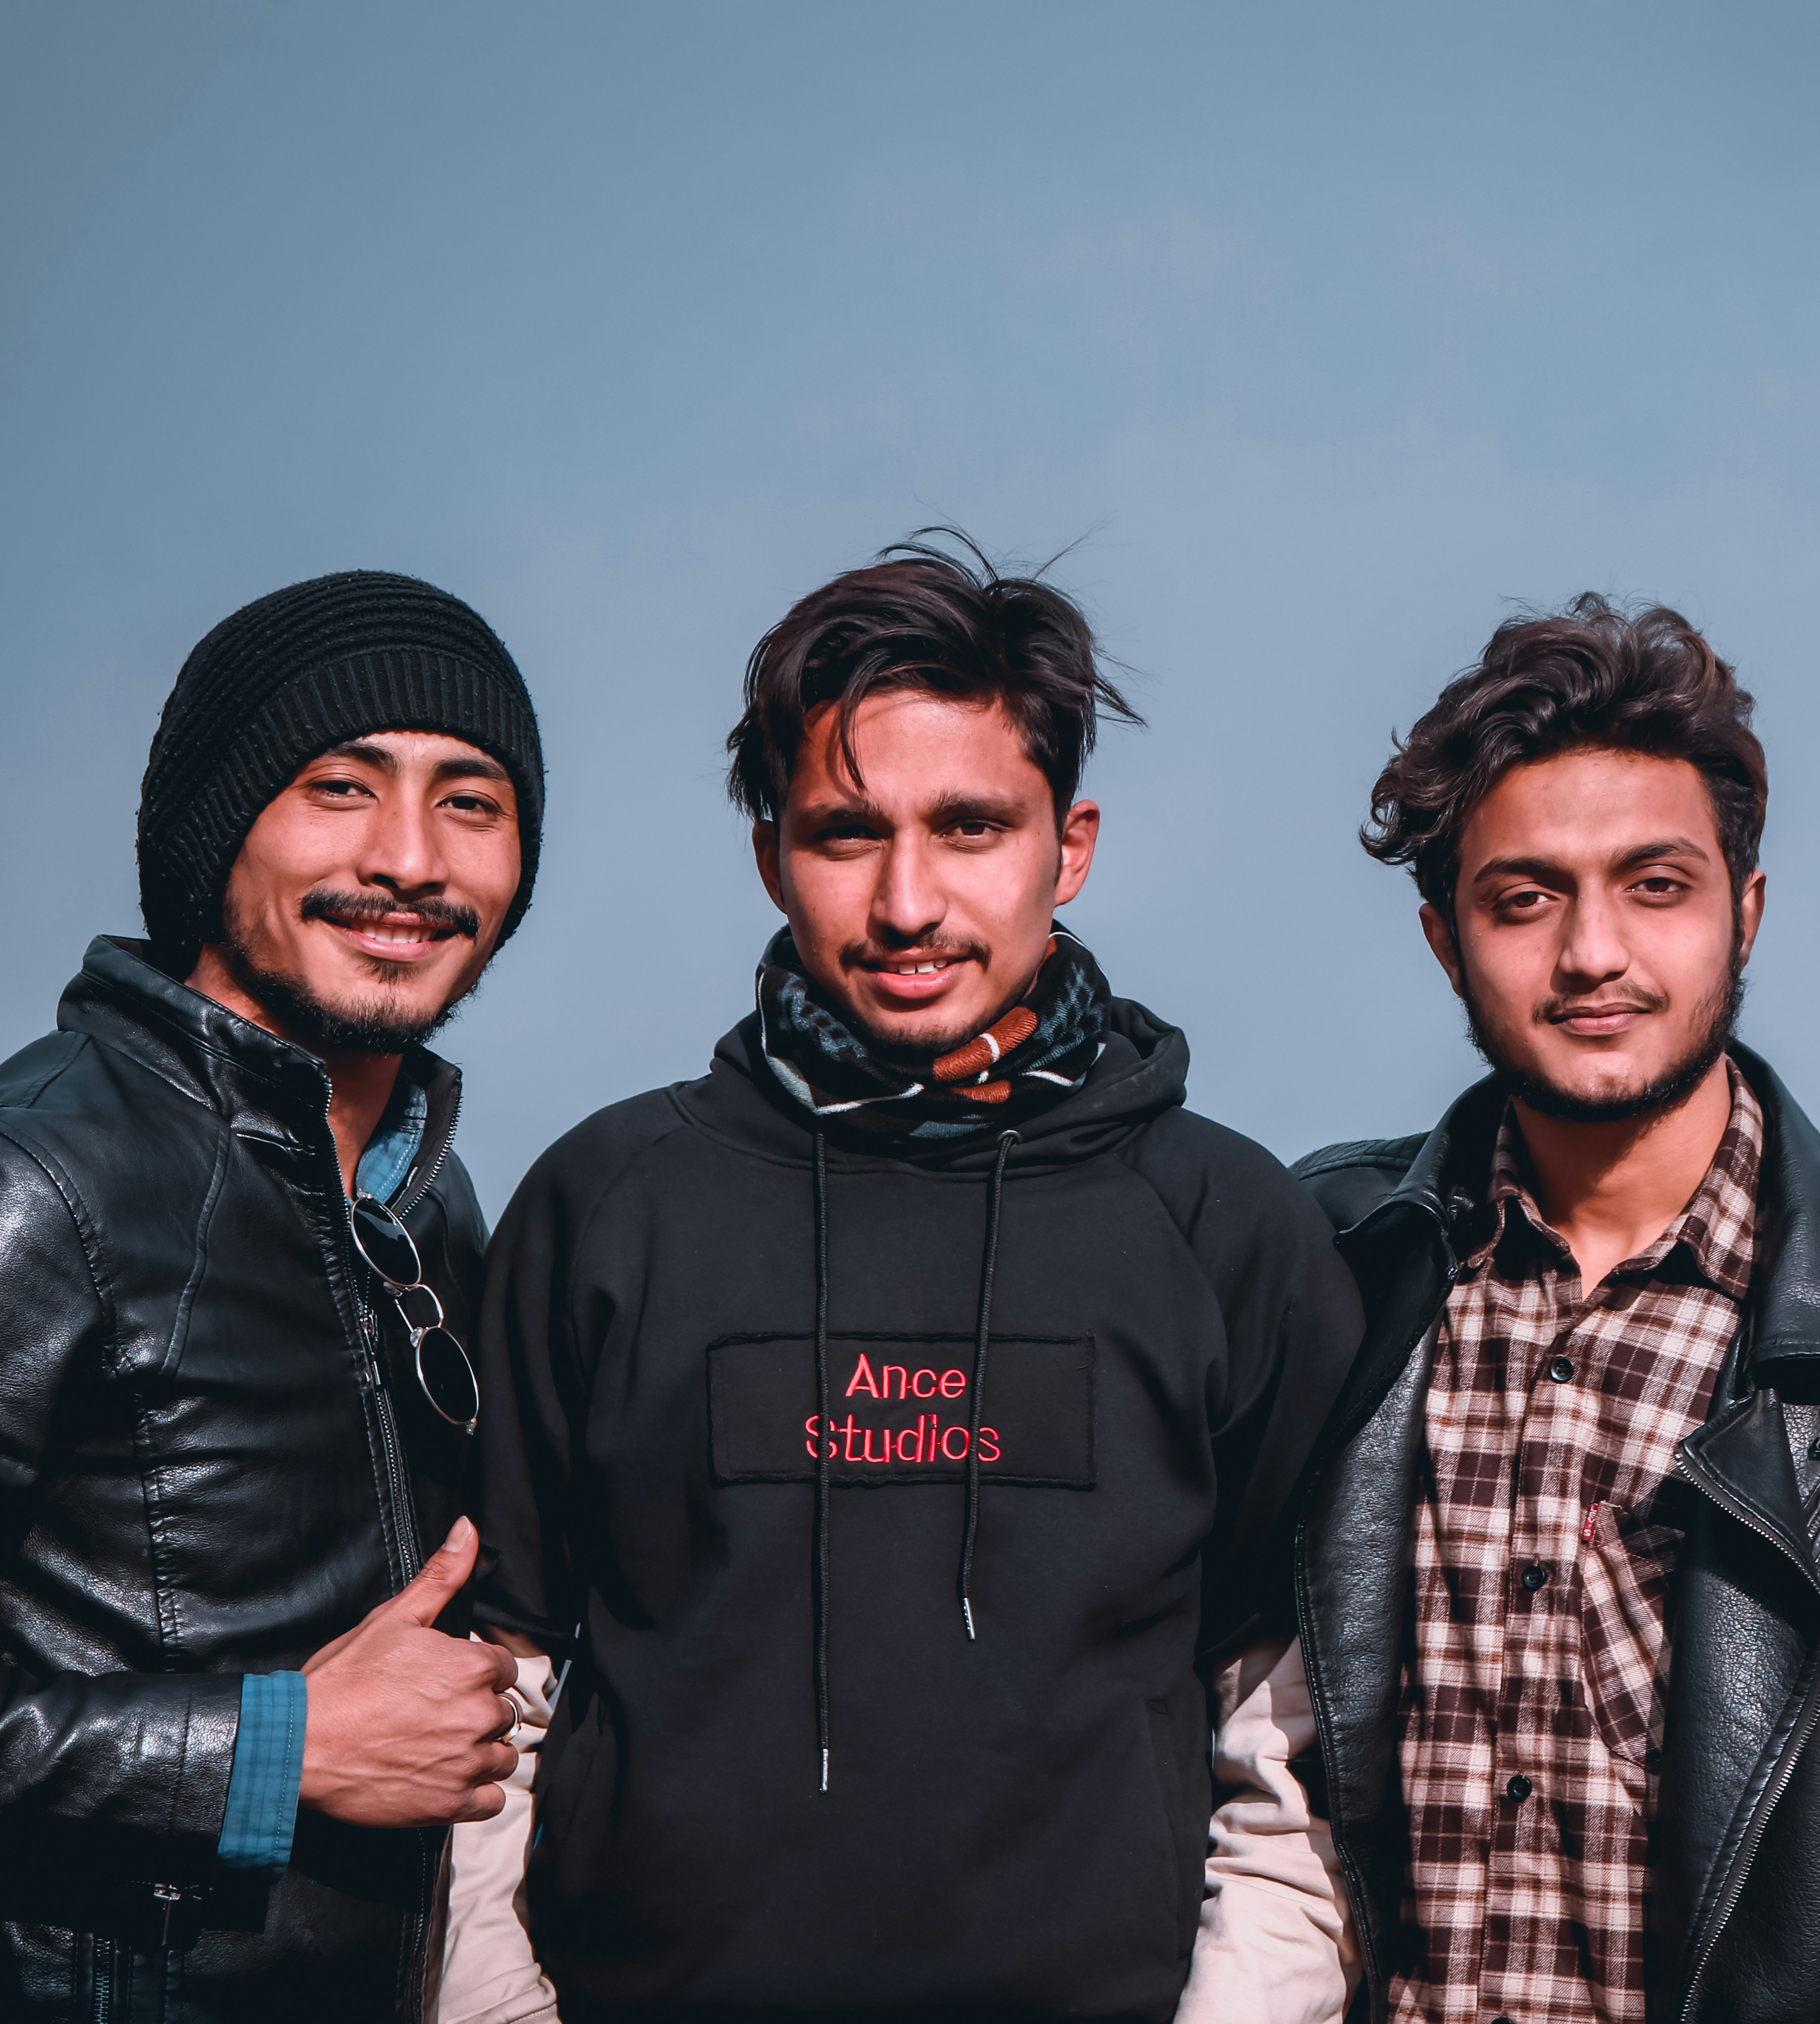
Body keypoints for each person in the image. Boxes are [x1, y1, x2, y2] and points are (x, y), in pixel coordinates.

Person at [467, 535, 1364, 2020]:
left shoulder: (1228, 1228)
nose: (906, 904)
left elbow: (1291, 1744)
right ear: (770, 855)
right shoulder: (605, 1204)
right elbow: (488, 1698)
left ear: (1067, 847)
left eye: (968, 828)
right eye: (843, 834)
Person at [1180, 597, 1820, 2024]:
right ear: (1445, 940)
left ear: (1745, 913)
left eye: (1655, 886)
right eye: (1526, 898)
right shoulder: (1340, 1268)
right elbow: (1259, 1772)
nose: (1593, 955)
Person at [0, 572, 547, 2019]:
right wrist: (272, 1748)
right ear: (219, 833)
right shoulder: (31, 1186)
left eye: (470, 802)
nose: (408, 859)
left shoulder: (424, 1200)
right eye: (340, 787)